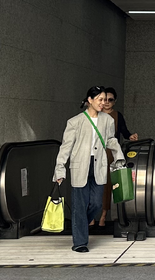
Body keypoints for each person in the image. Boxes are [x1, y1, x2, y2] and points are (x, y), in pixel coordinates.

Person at [55, 87, 123, 252]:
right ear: (90, 100)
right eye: (100, 99)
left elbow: (111, 140)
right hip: (80, 166)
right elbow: (66, 147)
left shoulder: (107, 120)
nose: (103, 103)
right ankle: (80, 242)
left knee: (97, 203)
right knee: (80, 205)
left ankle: (80, 225)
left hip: (99, 165)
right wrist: (60, 169)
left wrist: (119, 157)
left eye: (105, 99)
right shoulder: (75, 122)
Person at [97, 88, 138, 231]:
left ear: (115, 102)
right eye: (104, 99)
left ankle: (103, 215)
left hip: (110, 153)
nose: (107, 102)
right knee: (93, 182)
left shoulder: (116, 115)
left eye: (110, 100)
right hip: (95, 152)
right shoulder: (95, 114)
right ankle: (91, 216)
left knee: (108, 184)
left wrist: (130, 136)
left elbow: (123, 131)